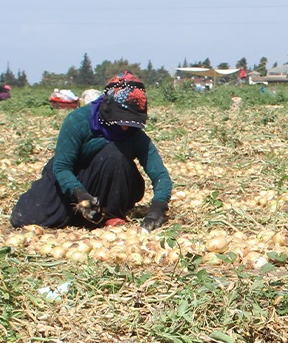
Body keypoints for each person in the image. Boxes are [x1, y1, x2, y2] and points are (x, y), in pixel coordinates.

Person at [10, 72, 172, 231]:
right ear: (107, 109)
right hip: (74, 176)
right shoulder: (78, 121)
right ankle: (84, 211)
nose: (125, 127)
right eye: (121, 120)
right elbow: (62, 167)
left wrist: (157, 208)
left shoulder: (134, 134)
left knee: (115, 154)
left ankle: (112, 214)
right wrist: (80, 194)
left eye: (131, 122)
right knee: (25, 217)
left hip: (112, 181)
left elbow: (160, 176)